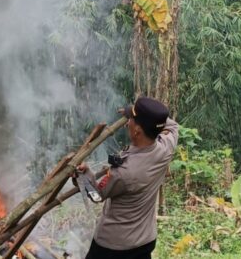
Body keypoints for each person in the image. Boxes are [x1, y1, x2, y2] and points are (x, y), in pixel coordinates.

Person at [76, 96, 179, 259]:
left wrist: (83, 175)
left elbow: (96, 196)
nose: (127, 122)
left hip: (114, 247)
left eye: (130, 119)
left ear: (137, 130)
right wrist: (135, 112)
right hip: (145, 240)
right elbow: (171, 124)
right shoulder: (166, 148)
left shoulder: (124, 172)